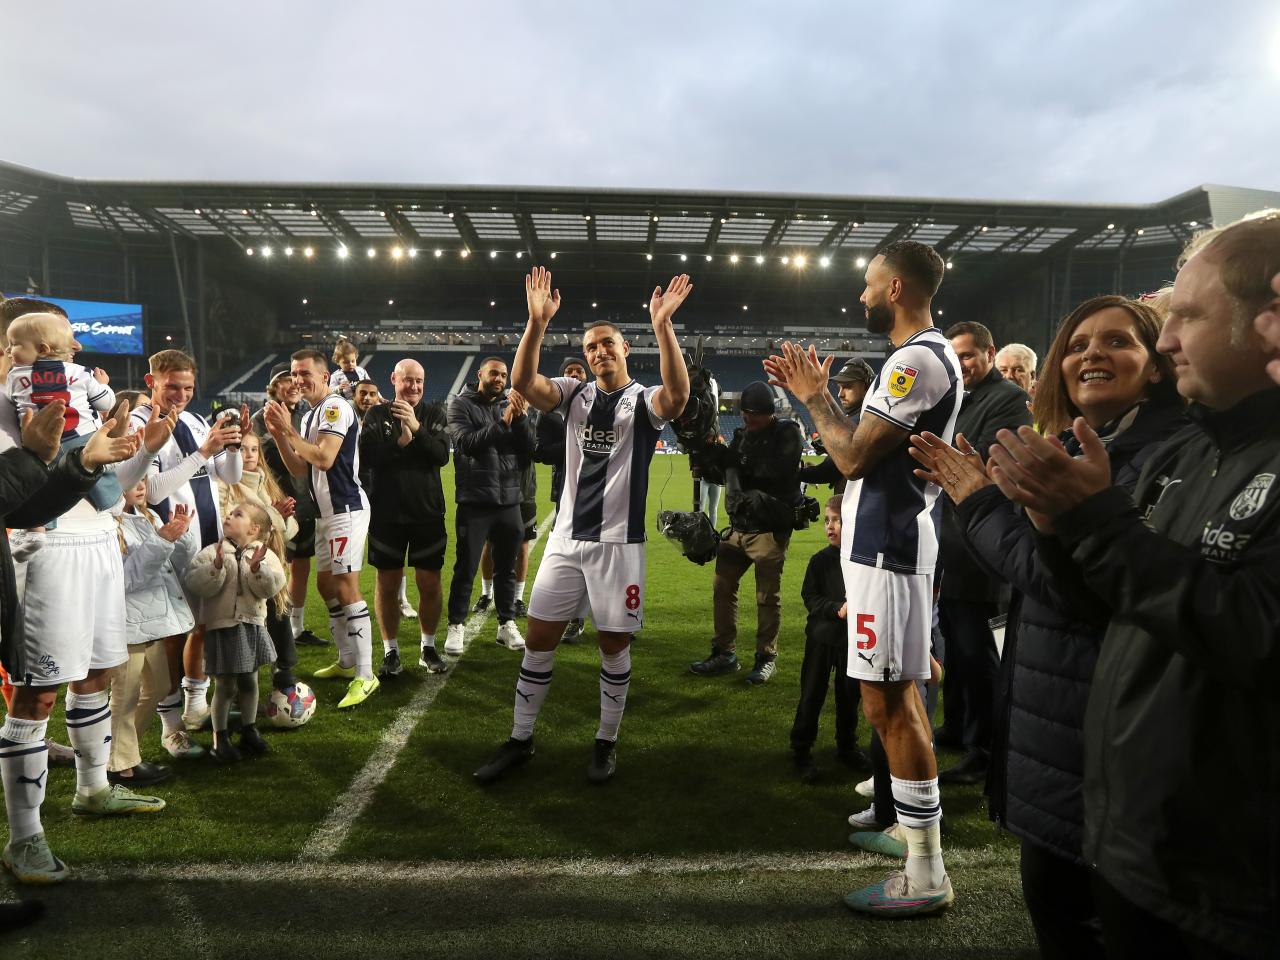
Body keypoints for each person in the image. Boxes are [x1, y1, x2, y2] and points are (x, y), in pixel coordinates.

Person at [979, 213, 1280, 958]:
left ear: (1269, 322)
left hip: (1223, 885)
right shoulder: (1199, 449)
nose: (1170, 337)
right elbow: (1109, 603)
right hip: (1133, 840)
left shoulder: (1181, 447)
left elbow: (1256, 634)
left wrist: (1082, 522)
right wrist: (1059, 526)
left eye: (1184, 317)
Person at [910, 295, 1185, 959]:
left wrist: (979, 505)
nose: (1092, 353)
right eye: (1079, 343)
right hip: (1056, 731)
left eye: (1118, 341)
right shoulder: (1073, 445)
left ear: (1156, 367)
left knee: (1097, 925)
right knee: (1056, 913)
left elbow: (1073, 589)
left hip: (1104, 740)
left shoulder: (1171, 453)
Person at [765, 240, 959, 916]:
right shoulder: (920, 357)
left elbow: (849, 456)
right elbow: (863, 453)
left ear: (898, 288)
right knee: (898, 697)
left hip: (889, 551)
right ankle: (912, 833)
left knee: (887, 703)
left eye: (871, 285)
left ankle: (927, 873)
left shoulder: (914, 361)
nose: (863, 297)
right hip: (890, 547)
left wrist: (815, 399)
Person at [474, 267, 691, 784]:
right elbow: (526, 382)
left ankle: (605, 742)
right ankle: (521, 739)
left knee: (613, 648)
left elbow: (678, 398)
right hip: (566, 541)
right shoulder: (574, 394)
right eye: (592, 346)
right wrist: (535, 323)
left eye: (608, 344)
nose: (599, 353)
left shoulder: (642, 400)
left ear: (624, 350)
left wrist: (664, 327)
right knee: (538, 639)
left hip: (618, 546)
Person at [0, 300, 171, 885]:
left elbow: (105, 479)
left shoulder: (75, 391)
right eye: (56, 341)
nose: (69, 350)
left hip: (99, 540)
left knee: (97, 670)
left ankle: (94, 789)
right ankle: (25, 838)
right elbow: (21, 497)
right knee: (38, 693)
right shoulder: (7, 403)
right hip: (47, 552)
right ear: (17, 346)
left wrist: (134, 448)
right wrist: (77, 457)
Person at [934, 320, 1032, 782]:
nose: (962, 364)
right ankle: (956, 728)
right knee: (956, 647)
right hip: (953, 546)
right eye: (955, 357)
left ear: (989, 353)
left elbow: (985, 465)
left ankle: (985, 752)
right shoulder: (962, 397)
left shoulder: (1008, 400)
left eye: (969, 355)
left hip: (983, 550)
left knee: (978, 654)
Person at [130, 350, 245, 732]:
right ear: (151, 383)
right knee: (169, 634)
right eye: (172, 387)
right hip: (162, 543)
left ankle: (196, 700)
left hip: (205, 540)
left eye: (188, 388)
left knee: (201, 624)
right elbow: (153, 491)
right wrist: (203, 452)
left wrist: (231, 448)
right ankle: (169, 725)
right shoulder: (139, 423)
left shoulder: (195, 420)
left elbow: (227, 476)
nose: (181, 395)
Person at [264, 348, 378, 709]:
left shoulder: (334, 407)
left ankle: (365, 673)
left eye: (304, 373)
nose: (297, 380)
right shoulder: (314, 414)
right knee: (325, 584)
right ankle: (346, 661)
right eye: (294, 374)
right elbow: (301, 470)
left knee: (346, 587)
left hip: (346, 509)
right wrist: (280, 436)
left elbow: (325, 459)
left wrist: (288, 430)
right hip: (329, 513)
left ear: (325, 376)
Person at [689, 381, 803, 684]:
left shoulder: (788, 432)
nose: (747, 420)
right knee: (722, 588)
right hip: (739, 527)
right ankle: (724, 653)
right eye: (745, 414)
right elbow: (729, 475)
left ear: (769, 413)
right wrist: (709, 455)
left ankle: (766, 657)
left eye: (753, 415)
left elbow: (774, 472)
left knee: (767, 597)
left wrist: (734, 462)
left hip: (769, 529)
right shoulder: (741, 436)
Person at [358, 359, 451, 677]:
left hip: (427, 512)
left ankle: (428, 647)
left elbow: (440, 456)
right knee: (387, 583)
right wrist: (399, 442)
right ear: (393, 379)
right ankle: (391, 652)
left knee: (430, 582)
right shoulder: (376, 414)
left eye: (419, 381)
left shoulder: (435, 413)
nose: (414, 386)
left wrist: (417, 429)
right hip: (386, 513)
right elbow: (369, 457)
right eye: (408, 380)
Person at [183, 502, 288, 763]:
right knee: (225, 685)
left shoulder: (265, 555)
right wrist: (215, 568)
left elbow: (271, 588)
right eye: (229, 513)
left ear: (254, 529)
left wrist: (257, 569)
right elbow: (194, 582)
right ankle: (220, 739)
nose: (229, 516)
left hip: (251, 625)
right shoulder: (213, 551)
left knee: (249, 682)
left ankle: (249, 729)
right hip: (222, 628)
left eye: (237, 514)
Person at [110, 487, 201, 784]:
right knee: (126, 696)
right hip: (125, 625)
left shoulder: (147, 516)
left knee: (159, 686)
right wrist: (164, 538)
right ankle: (118, 764)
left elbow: (179, 562)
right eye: (132, 479)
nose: (140, 486)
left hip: (150, 621)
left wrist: (181, 534)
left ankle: (120, 753)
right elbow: (128, 579)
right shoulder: (108, 525)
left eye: (143, 480)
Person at [444, 357, 533, 655]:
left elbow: (528, 450)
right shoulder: (459, 404)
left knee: (506, 569)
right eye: (494, 373)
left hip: (509, 499)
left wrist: (520, 419)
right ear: (479, 374)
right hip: (475, 501)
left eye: (504, 375)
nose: (500, 378)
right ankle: (456, 625)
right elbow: (467, 444)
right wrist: (505, 420)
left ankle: (506, 624)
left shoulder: (511, 405)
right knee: (466, 568)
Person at [216, 430, 302, 701]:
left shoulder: (267, 483)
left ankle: (284, 671)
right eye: (242, 449)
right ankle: (241, 691)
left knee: (279, 612)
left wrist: (283, 519)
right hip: (239, 572)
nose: (249, 455)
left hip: (270, 567)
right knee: (247, 629)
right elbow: (231, 528)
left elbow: (289, 532)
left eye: (254, 450)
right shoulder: (226, 485)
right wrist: (275, 515)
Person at [5, 312, 118, 509]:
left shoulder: (15, 377)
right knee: (97, 467)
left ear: (42, 348)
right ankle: (112, 501)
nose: (8, 350)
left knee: (43, 484)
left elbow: (12, 403)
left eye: (14, 344)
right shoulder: (81, 372)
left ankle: (40, 527)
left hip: (40, 442)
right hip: (82, 434)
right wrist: (104, 385)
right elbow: (106, 403)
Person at [790, 496, 864, 782]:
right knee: (812, 694)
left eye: (837, 521)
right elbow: (810, 597)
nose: (830, 527)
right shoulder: (819, 561)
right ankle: (801, 748)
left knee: (849, 697)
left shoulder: (860, 559)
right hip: (821, 639)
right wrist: (836, 609)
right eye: (827, 521)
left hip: (851, 642)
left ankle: (847, 747)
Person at [252, 364, 323, 647]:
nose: (293, 384)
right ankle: (266, 627)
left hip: (303, 502)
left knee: (301, 565)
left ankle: (296, 626)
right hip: (272, 505)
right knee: (270, 565)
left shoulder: (307, 415)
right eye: (285, 380)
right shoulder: (261, 419)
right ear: (273, 386)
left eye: (295, 379)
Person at [533, 358, 589, 642]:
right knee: (574, 558)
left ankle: (613, 619)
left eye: (579, 371)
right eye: (569, 372)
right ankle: (574, 619)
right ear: (563, 379)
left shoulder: (601, 404)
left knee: (607, 558)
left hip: (604, 494)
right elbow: (540, 452)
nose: (575, 374)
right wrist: (577, 444)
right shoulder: (549, 412)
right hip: (568, 493)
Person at [800, 358, 876, 493]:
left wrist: (792, 473)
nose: (840, 394)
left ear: (866, 387)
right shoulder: (859, 416)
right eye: (839, 387)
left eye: (848, 387)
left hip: (855, 509)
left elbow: (827, 472)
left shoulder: (864, 420)